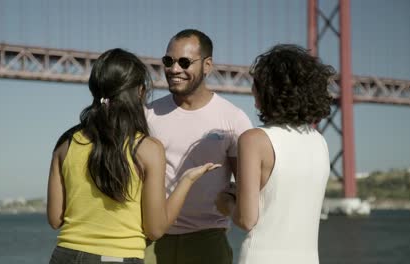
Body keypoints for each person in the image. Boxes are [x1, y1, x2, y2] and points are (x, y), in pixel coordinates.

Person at [47, 48, 220, 264]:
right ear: (139, 92)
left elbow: (55, 218)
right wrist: (187, 180)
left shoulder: (66, 143)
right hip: (117, 257)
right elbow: (155, 229)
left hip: (65, 255)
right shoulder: (147, 149)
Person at [216, 44, 335, 264]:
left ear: (271, 90)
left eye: (257, 84)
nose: (252, 90)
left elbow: (246, 219)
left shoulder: (254, 139)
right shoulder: (320, 142)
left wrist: (226, 202)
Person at [145, 29, 252, 264]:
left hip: (208, 241)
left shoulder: (233, 119)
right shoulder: (147, 114)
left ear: (207, 65)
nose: (174, 69)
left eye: (184, 62)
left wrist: (230, 196)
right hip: (151, 239)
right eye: (168, 61)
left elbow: (247, 184)